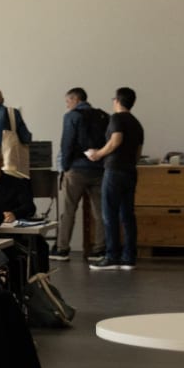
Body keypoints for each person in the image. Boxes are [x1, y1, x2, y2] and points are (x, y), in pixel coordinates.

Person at [86, 87, 144, 271]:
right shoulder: (137, 123)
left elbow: (116, 140)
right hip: (130, 171)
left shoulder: (117, 118)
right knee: (127, 215)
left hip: (114, 170)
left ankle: (112, 256)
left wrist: (98, 154)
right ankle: (129, 257)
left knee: (109, 214)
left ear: (117, 100)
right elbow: (138, 152)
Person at [55, 87, 107, 262]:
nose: (67, 105)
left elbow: (67, 143)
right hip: (99, 169)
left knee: (69, 210)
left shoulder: (71, 116)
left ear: (75, 99)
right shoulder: (102, 116)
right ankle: (99, 249)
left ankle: (62, 249)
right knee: (100, 212)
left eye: (68, 101)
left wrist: (65, 167)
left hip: (76, 169)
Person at [0, 145, 37, 221]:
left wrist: (15, 214)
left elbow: (30, 207)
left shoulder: (18, 183)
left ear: (1, 162)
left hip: (10, 227)